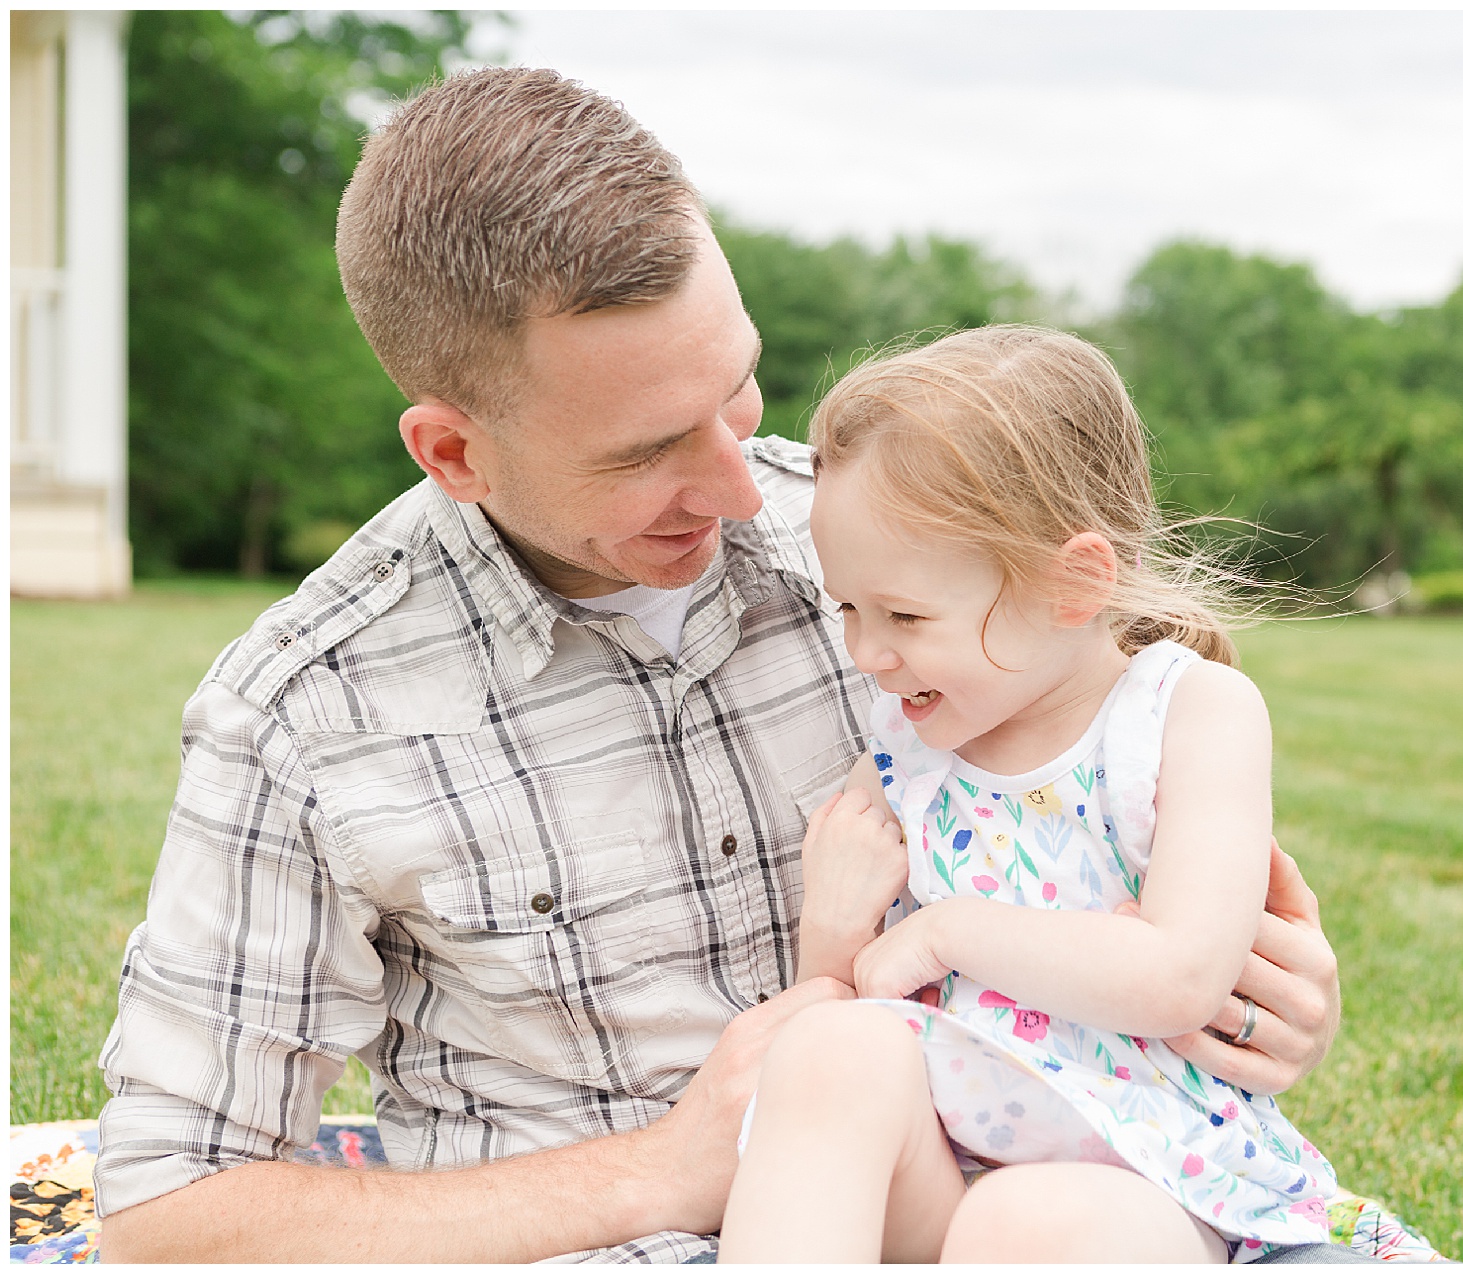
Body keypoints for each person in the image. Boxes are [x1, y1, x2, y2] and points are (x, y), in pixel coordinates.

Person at [94, 69, 1344, 1264]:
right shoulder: (308, 713)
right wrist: (658, 1168)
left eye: (738, 391)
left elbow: (1127, 808)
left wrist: (1252, 1001)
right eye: (646, 450)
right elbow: (166, 1216)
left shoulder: (898, 550)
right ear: (455, 451)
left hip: (1016, 1194)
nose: (748, 490)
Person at [719, 326, 1440, 1264]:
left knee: (1028, 1223)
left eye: (903, 614)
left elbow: (1181, 973)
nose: (866, 652)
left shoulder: (1186, 715)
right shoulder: (907, 747)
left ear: (1073, 582)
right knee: (824, 1055)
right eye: (848, 608)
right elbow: (851, 996)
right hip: (952, 1166)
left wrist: (947, 929)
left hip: (1154, 1184)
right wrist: (831, 929)